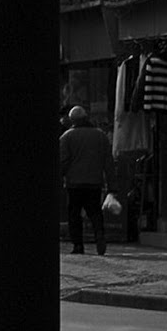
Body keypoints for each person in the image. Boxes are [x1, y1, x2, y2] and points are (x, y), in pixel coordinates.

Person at [60, 105, 113, 256]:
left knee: (74, 214)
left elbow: (63, 161)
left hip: (74, 183)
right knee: (95, 212)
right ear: (86, 117)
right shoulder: (101, 135)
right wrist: (112, 187)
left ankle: (78, 245)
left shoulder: (66, 137)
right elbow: (108, 162)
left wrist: (61, 176)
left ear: (72, 120)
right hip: (94, 182)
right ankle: (99, 234)